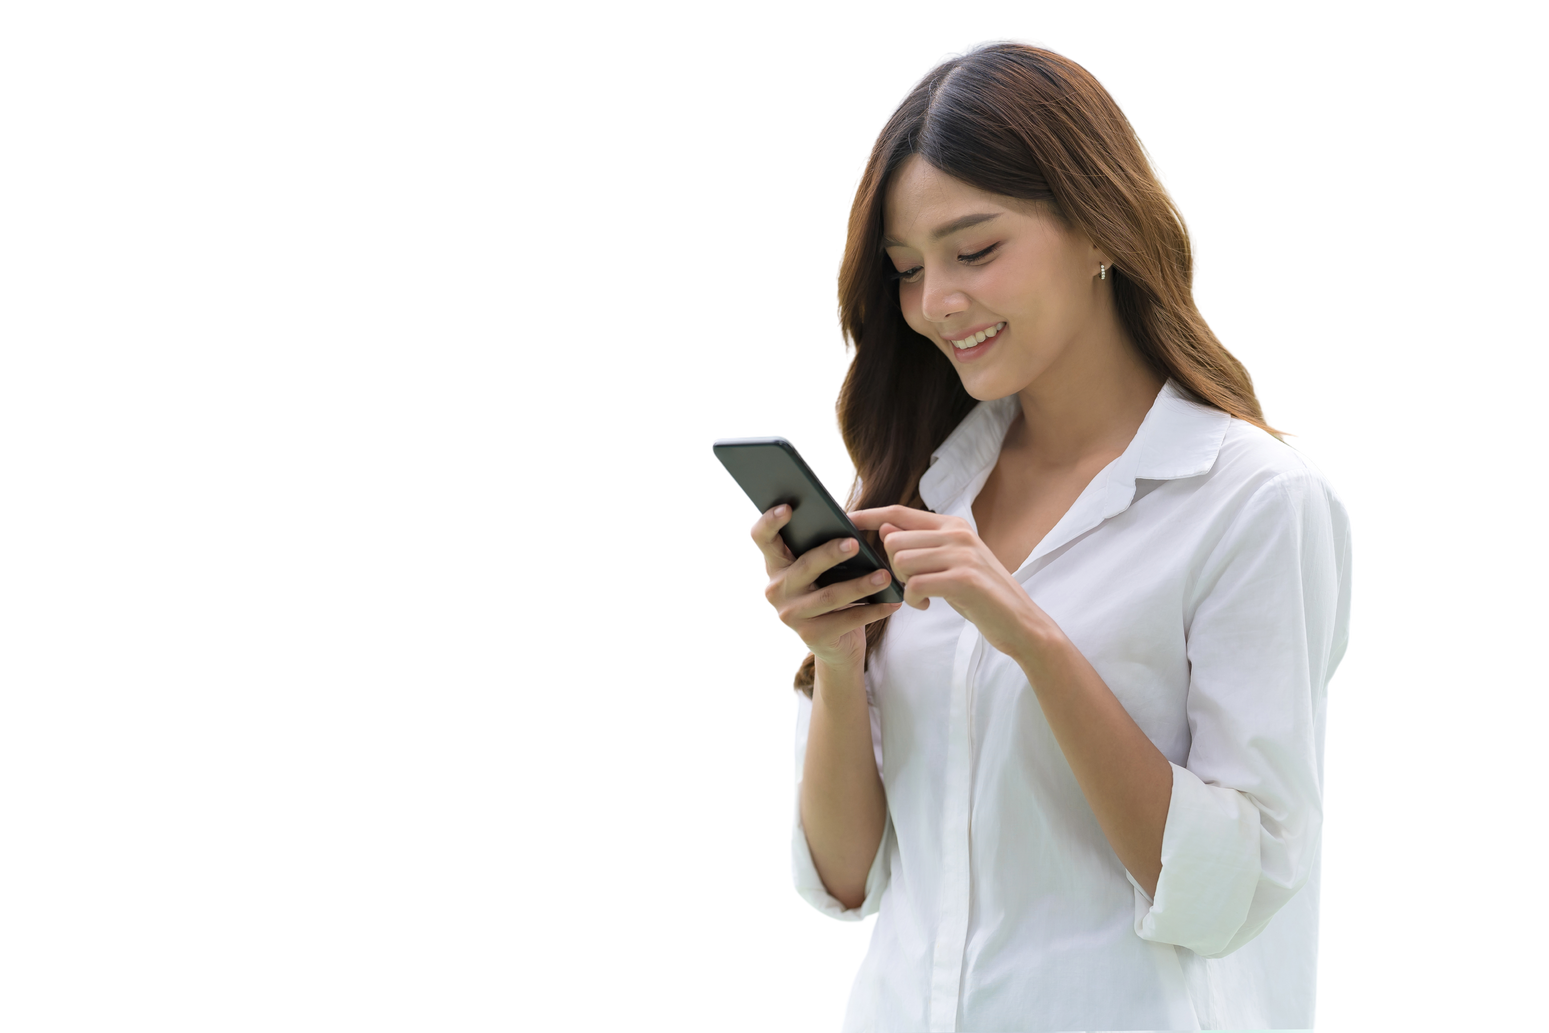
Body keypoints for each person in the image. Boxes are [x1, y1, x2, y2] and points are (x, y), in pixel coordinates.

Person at [745, 35, 1353, 1033]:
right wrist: (837, 658)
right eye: (906, 269)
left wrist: (1030, 634)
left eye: (975, 250)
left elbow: (1228, 898)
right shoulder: (908, 481)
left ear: (1098, 224)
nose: (937, 302)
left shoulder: (1253, 502)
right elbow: (843, 878)